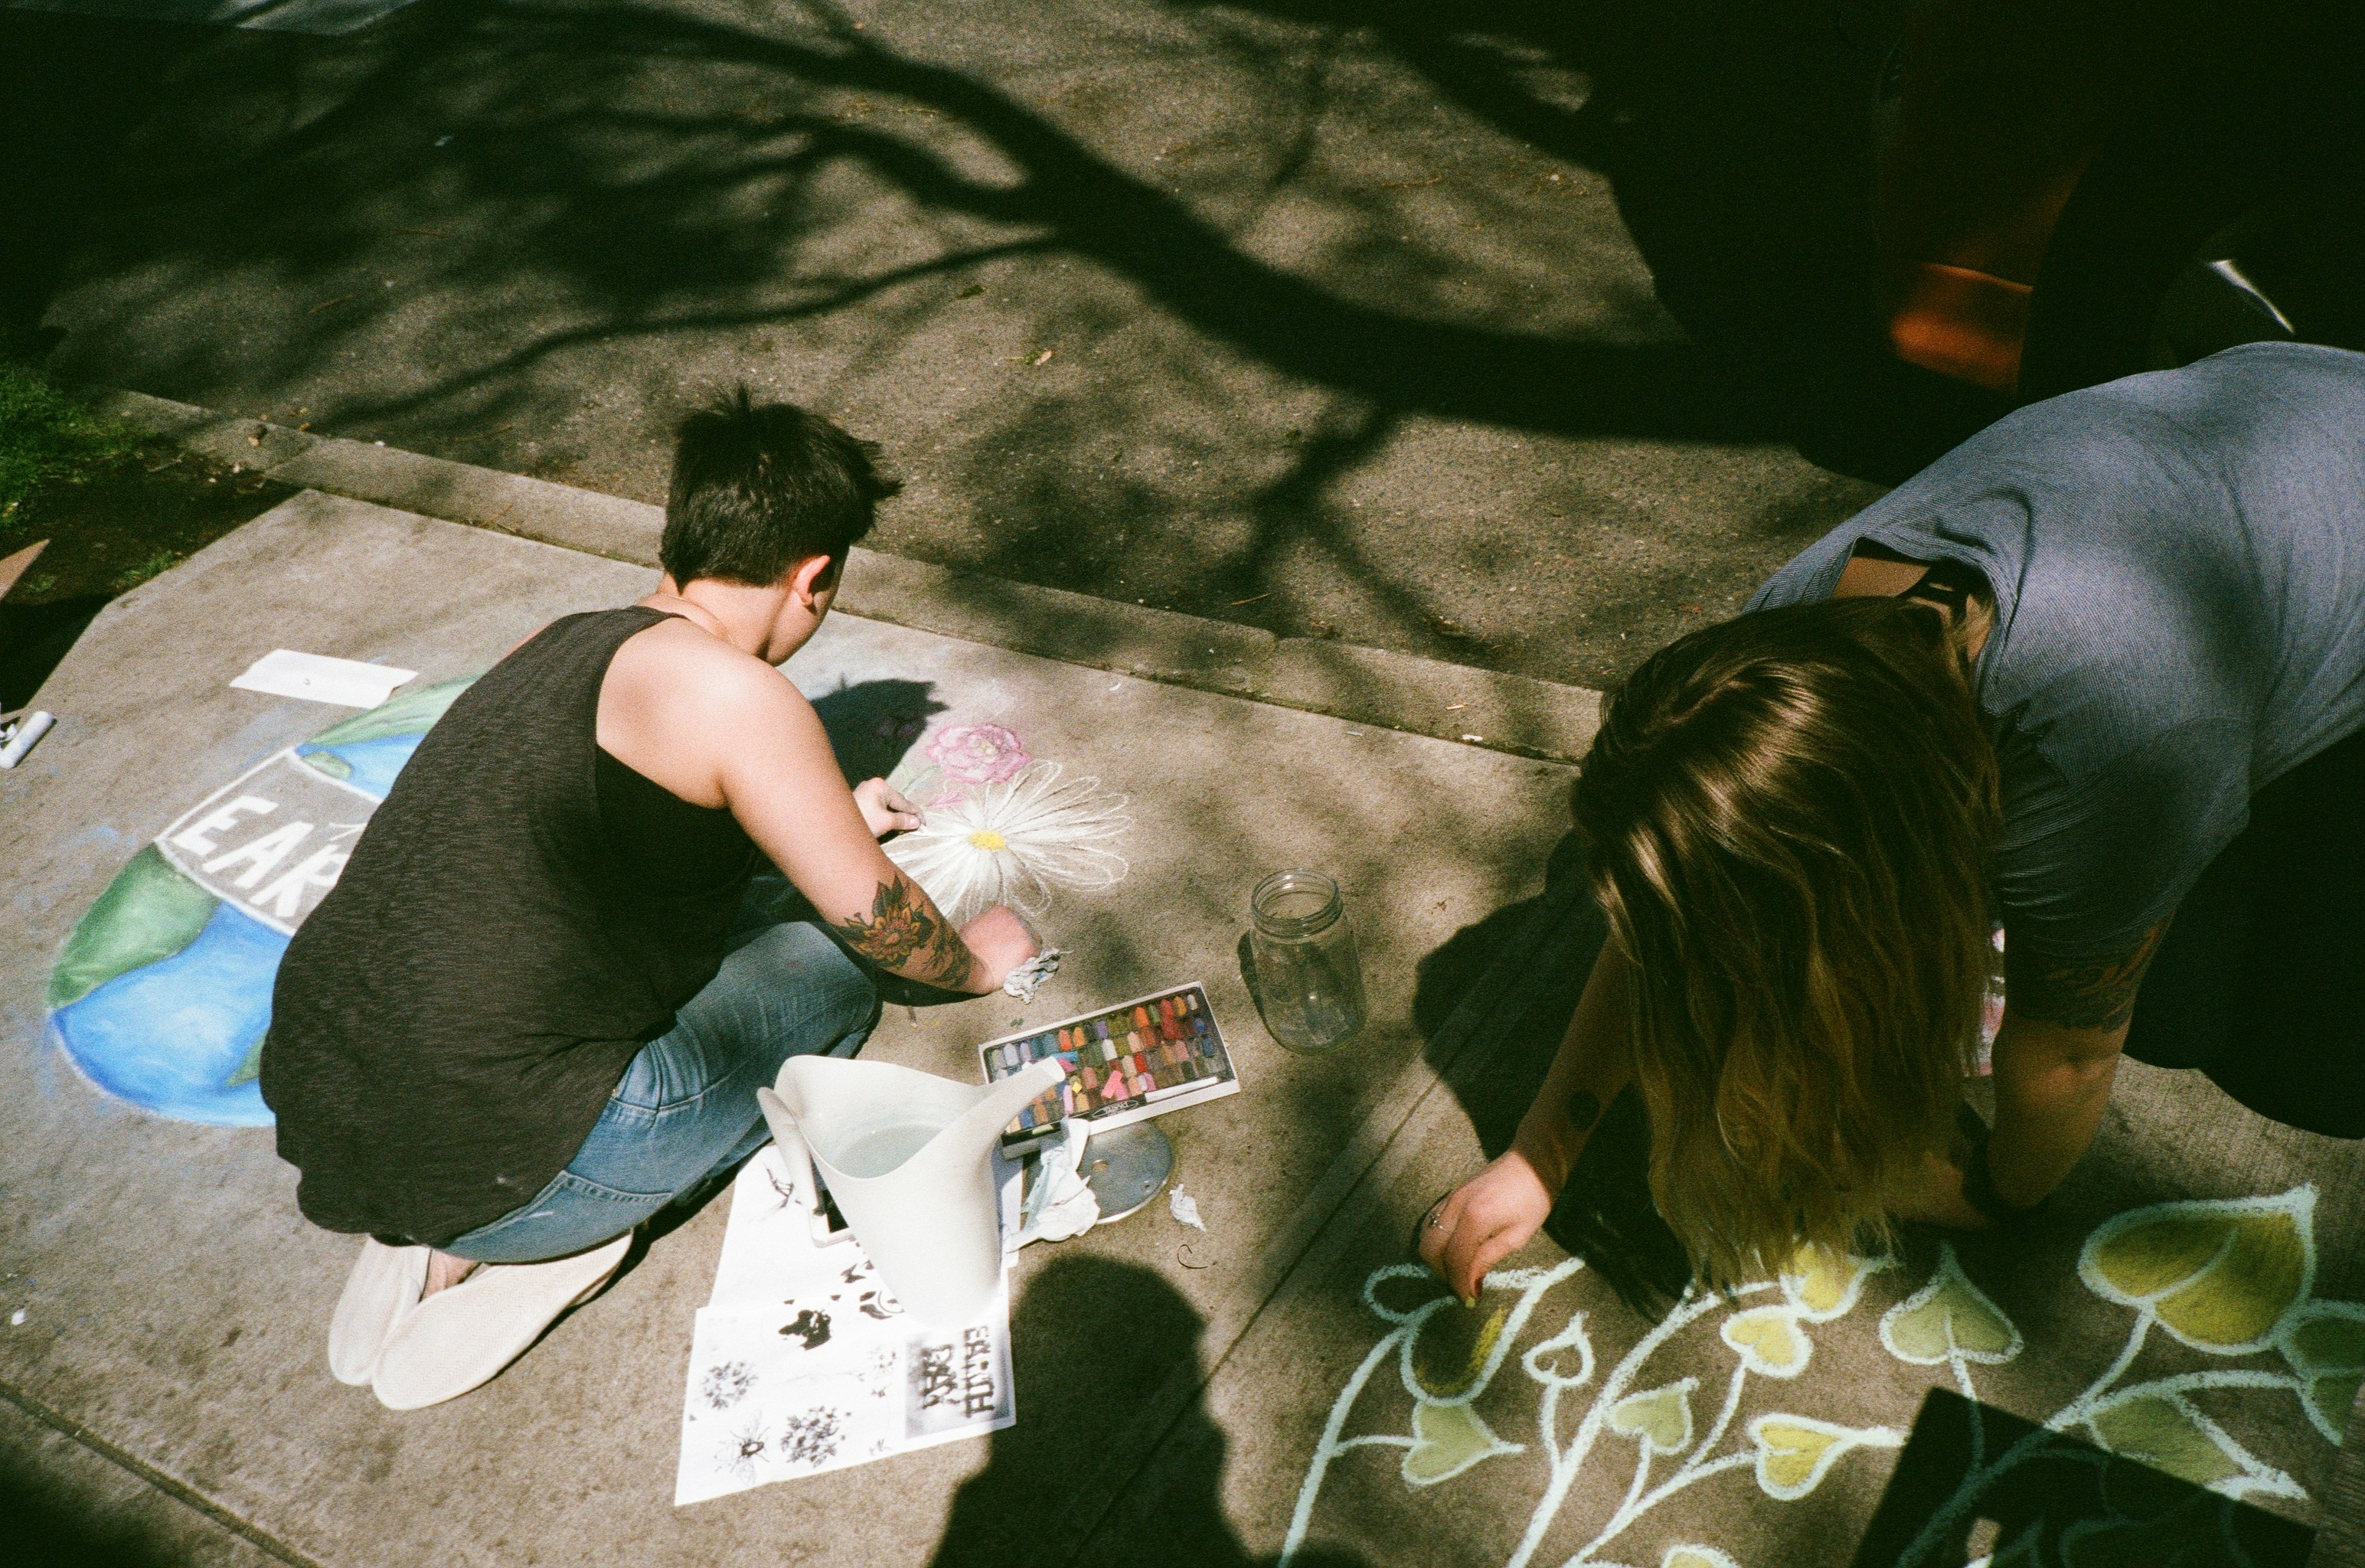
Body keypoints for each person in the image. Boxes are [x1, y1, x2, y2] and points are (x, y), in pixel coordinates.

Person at [1421, 340, 2365, 1299]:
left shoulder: (2113, 738)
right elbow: (1679, 906)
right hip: (2275, 432)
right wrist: (1540, 1151)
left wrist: (1990, 1192)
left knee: (2268, 1048)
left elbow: (2074, 1049)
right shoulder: (1781, 650)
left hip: (2324, 466)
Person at [262, 389, 1037, 1409]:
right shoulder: (736, 692)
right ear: (813, 577)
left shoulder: (555, 641)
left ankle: (427, 1236)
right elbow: (874, 920)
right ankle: (545, 1246)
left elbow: (603, 833)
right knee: (823, 970)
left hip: (331, 1114)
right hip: (521, 1162)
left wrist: (827, 809)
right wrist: (982, 961)